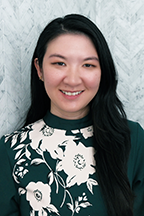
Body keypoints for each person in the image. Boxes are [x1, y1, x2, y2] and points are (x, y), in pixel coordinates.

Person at [0, 14, 144, 216]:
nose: (73, 80)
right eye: (59, 63)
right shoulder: (12, 150)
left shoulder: (132, 138)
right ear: (39, 69)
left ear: (102, 72)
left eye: (88, 65)